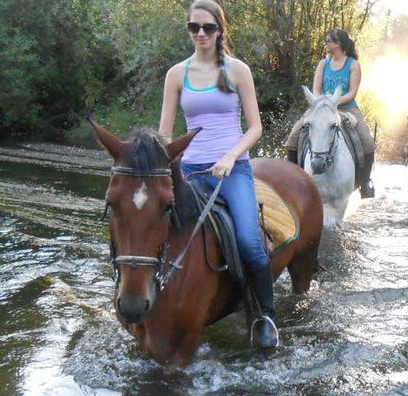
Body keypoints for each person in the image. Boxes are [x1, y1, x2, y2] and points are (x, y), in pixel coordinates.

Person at [158, 0, 278, 348]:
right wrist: (166, 165)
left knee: (248, 242)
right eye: (194, 27)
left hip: (232, 168)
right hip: (190, 170)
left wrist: (229, 157)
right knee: (155, 232)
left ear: (219, 30)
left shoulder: (237, 70)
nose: (200, 34)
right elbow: (166, 133)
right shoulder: (176, 74)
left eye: (207, 28)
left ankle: (265, 316)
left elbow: (255, 128)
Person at [284, 29, 377, 199]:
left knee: (367, 141)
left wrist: (334, 102)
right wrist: (324, 104)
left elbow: (352, 93)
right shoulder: (323, 64)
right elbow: (316, 90)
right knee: (293, 136)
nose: (325, 44)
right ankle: (292, 180)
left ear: (338, 43)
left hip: (346, 107)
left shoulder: (353, 64)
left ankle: (365, 182)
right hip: (321, 108)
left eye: (328, 41)